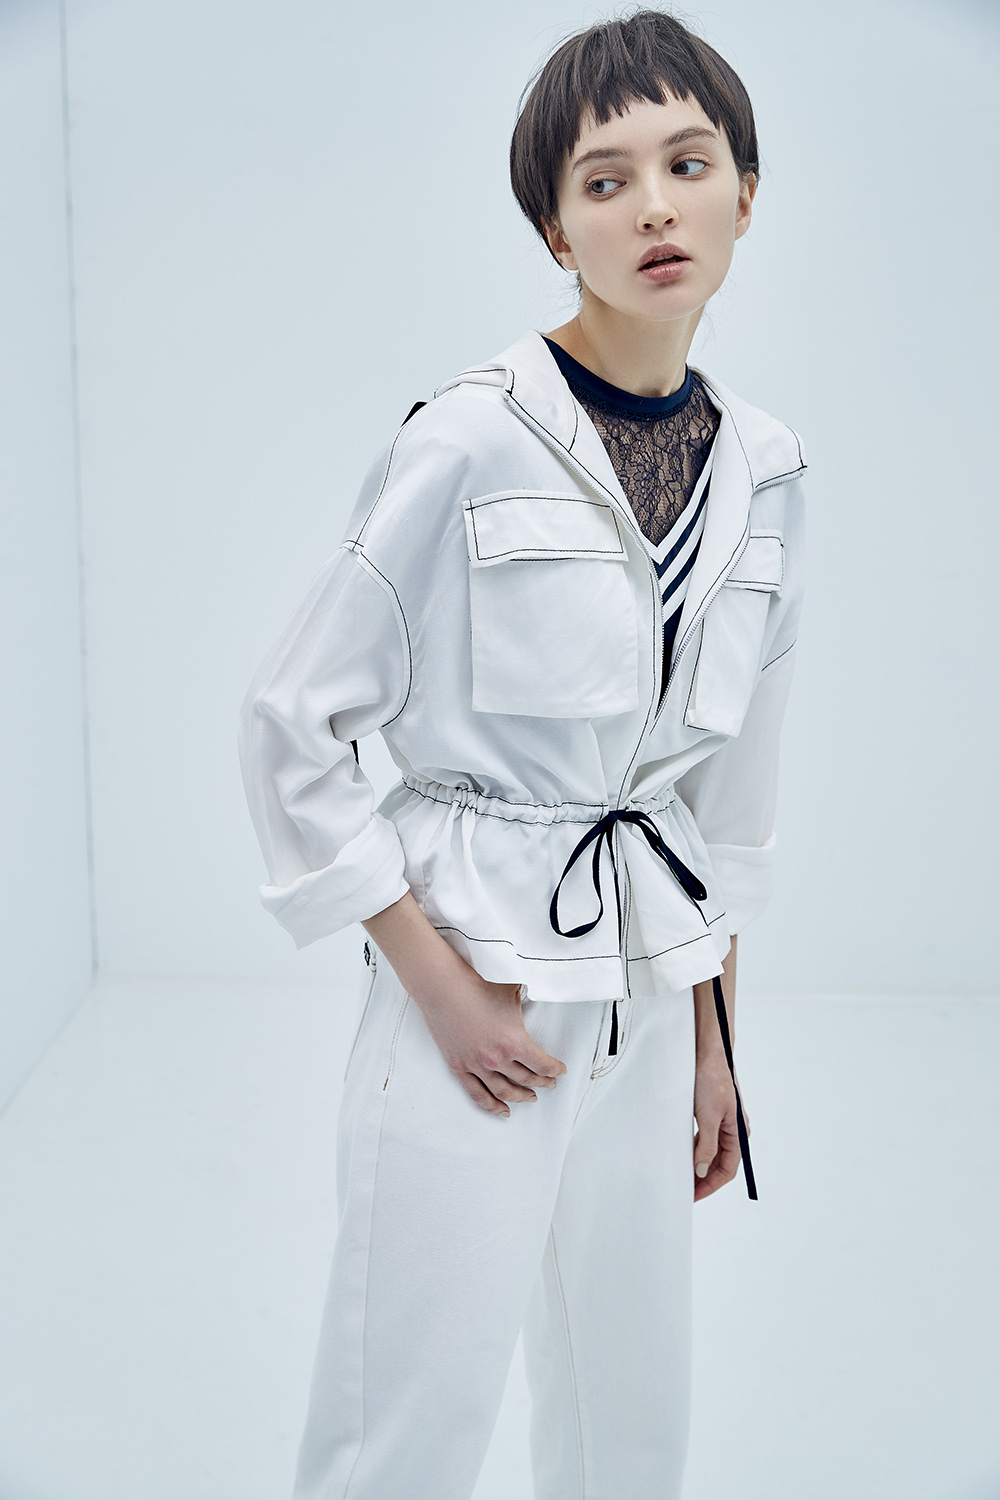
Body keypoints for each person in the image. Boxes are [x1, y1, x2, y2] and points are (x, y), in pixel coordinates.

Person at [238, 9, 806, 1498]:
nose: (655, 206)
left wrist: (714, 1040)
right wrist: (441, 995)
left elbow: (731, 804)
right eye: (604, 181)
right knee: (408, 1414)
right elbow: (292, 724)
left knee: (632, 1413)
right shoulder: (471, 439)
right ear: (555, 230)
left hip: (654, 989)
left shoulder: (766, 471)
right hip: (474, 974)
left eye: (689, 164)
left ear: (746, 195)